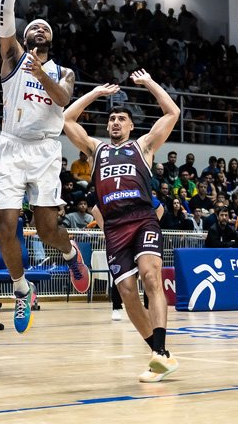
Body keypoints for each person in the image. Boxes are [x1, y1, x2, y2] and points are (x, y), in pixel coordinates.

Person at [0, 0, 90, 334]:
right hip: (10, 146)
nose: (40, 28)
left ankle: (70, 253)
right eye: (34, 27)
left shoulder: (63, 71)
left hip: (47, 148)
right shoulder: (12, 57)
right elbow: (5, 17)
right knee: (5, 224)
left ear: (51, 40)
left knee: (47, 228)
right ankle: (20, 289)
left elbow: (63, 100)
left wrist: (42, 72)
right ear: (26, 36)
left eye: (46, 28)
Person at [63, 69, 181, 382]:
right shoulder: (96, 150)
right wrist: (96, 94)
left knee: (150, 275)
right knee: (127, 293)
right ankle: (160, 354)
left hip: (141, 218)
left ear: (130, 125)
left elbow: (173, 112)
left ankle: (160, 350)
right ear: (107, 125)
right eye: (112, 118)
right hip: (114, 227)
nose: (116, 122)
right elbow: (67, 120)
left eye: (121, 118)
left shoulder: (143, 146)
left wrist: (149, 84)